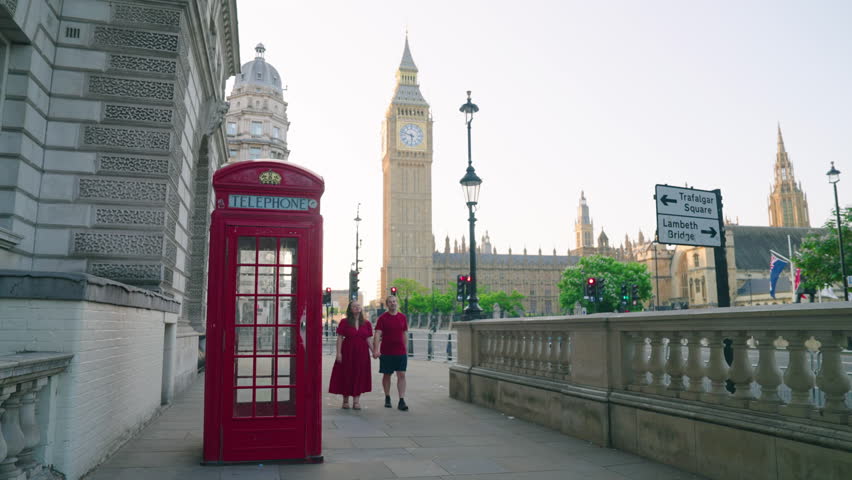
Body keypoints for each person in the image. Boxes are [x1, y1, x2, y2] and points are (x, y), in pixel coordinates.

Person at [328, 301, 373, 410]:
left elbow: (368, 339)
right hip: (347, 352)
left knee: (359, 374)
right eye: (354, 306)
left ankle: (356, 401)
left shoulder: (366, 323)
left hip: (362, 354)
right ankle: (345, 400)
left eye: (358, 306)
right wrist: (338, 353)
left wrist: (374, 351)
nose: (357, 307)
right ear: (350, 309)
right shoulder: (344, 322)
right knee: (346, 374)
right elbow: (340, 338)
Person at [372, 295, 409, 411]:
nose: (393, 303)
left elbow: (405, 333)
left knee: (401, 375)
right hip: (386, 352)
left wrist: (406, 349)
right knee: (387, 375)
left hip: (400, 352)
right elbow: (377, 334)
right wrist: (376, 350)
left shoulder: (402, 317)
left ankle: (401, 400)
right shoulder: (382, 318)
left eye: (394, 301)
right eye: (390, 302)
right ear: (387, 304)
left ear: (397, 303)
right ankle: (387, 397)